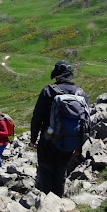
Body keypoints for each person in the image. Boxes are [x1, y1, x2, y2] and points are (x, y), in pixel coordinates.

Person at [29, 60, 89, 197]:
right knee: (61, 171)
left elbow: (37, 117)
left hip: (48, 138)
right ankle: (58, 201)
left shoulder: (48, 91)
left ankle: (47, 205)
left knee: (46, 170)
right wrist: (79, 145)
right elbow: (84, 122)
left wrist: (33, 139)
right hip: (69, 140)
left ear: (56, 75)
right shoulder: (80, 94)